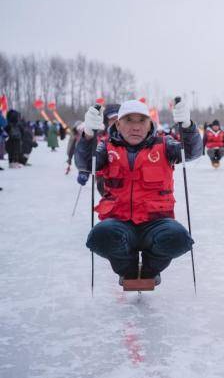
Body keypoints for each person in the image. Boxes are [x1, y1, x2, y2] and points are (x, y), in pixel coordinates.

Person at [75, 99, 202, 286]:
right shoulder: (106, 147)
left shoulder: (165, 145)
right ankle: (127, 270)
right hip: (120, 223)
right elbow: (85, 163)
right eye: (129, 120)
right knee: (100, 235)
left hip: (156, 223)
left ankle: (151, 270)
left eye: (141, 121)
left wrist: (188, 126)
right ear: (118, 123)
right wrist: (87, 136)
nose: (135, 127)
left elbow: (192, 152)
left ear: (150, 123)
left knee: (179, 237)